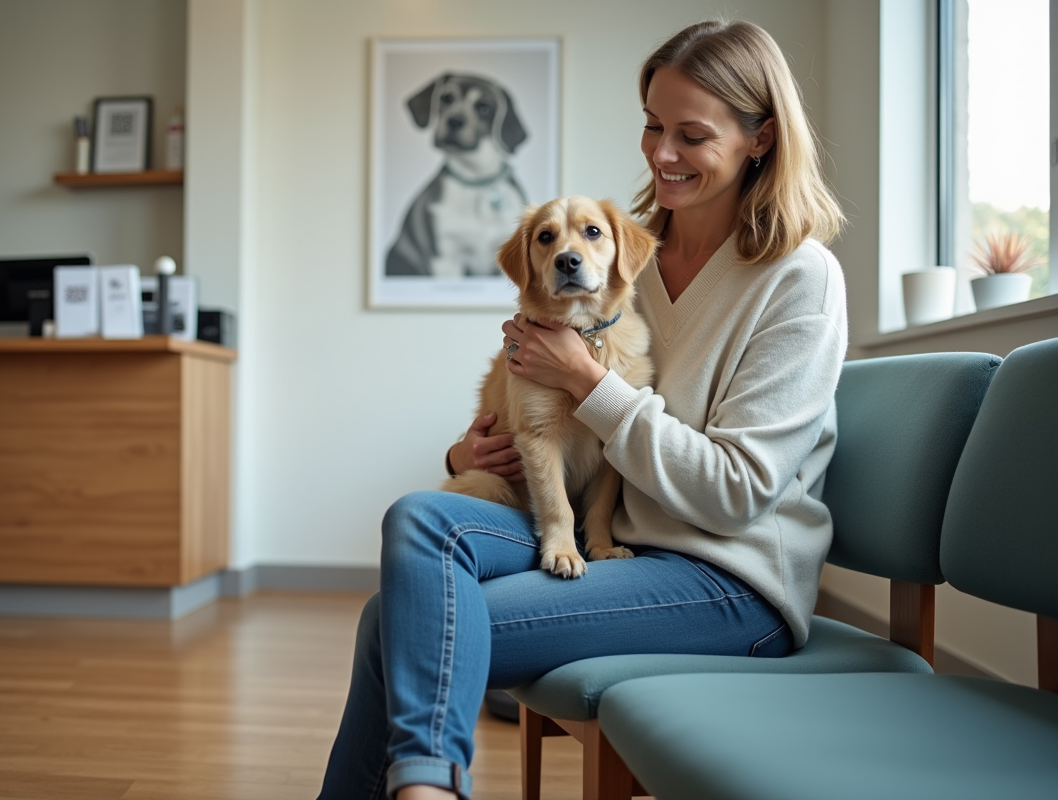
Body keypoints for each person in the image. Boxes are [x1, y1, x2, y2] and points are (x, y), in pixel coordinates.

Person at [317, 19, 847, 800]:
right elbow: (545, 413)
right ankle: (427, 787)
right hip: (614, 537)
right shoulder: (618, 255)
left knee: (397, 623)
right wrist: (470, 454)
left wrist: (587, 384)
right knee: (420, 519)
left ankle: (425, 790)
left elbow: (738, 494)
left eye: (692, 134)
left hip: (729, 578)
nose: (662, 154)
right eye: (653, 126)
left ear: (760, 137)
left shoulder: (798, 279)